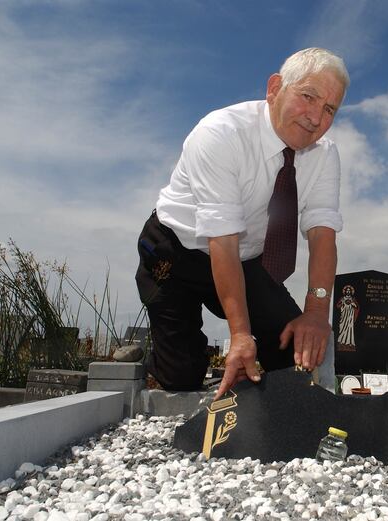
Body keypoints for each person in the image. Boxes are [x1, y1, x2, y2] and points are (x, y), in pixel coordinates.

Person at [135, 48, 349, 398]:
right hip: (176, 253)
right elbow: (222, 240)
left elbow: (323, 234)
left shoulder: (325, 154)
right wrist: (239, 335)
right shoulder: (220, 133)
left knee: (294, 362)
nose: (315, 117)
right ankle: (151, 358)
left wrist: (314, 312)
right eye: (308, 96)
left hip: (249, 261)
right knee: (182, 377)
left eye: (329, 109)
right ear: (275, 87)